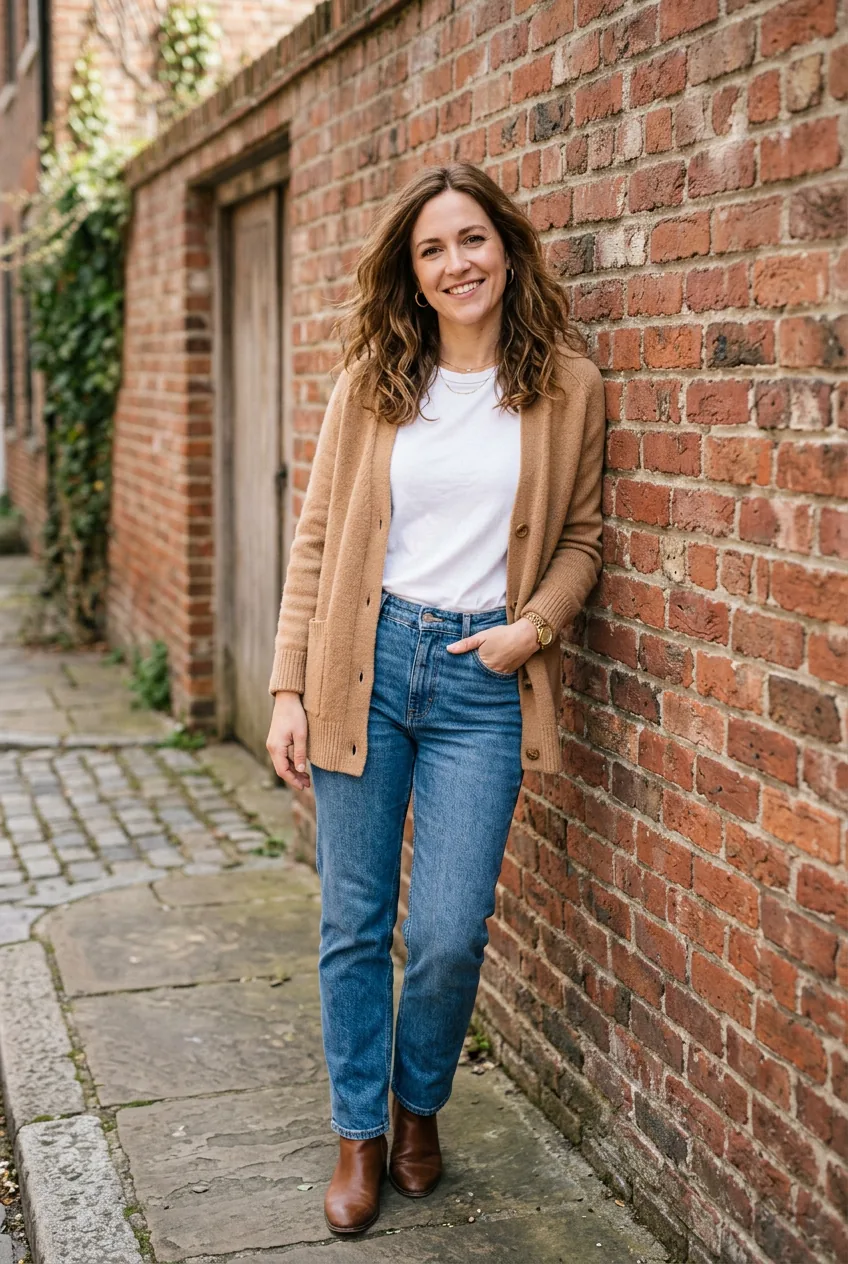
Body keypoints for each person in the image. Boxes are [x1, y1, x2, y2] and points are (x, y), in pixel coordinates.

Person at [266, 162, 606, 1236]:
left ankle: (422, 1105)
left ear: (504, 248)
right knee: (354, 921)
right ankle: (360, 1134)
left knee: (451, 930)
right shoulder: (371, 382)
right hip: (360, 665)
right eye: (431, 249)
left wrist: (531, 629)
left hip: (480, 683)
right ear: (410, 275)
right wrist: (286, 687)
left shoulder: (566, 386)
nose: (455, 263)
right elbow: (316, 542)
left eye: (470, 240)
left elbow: (584, 539)